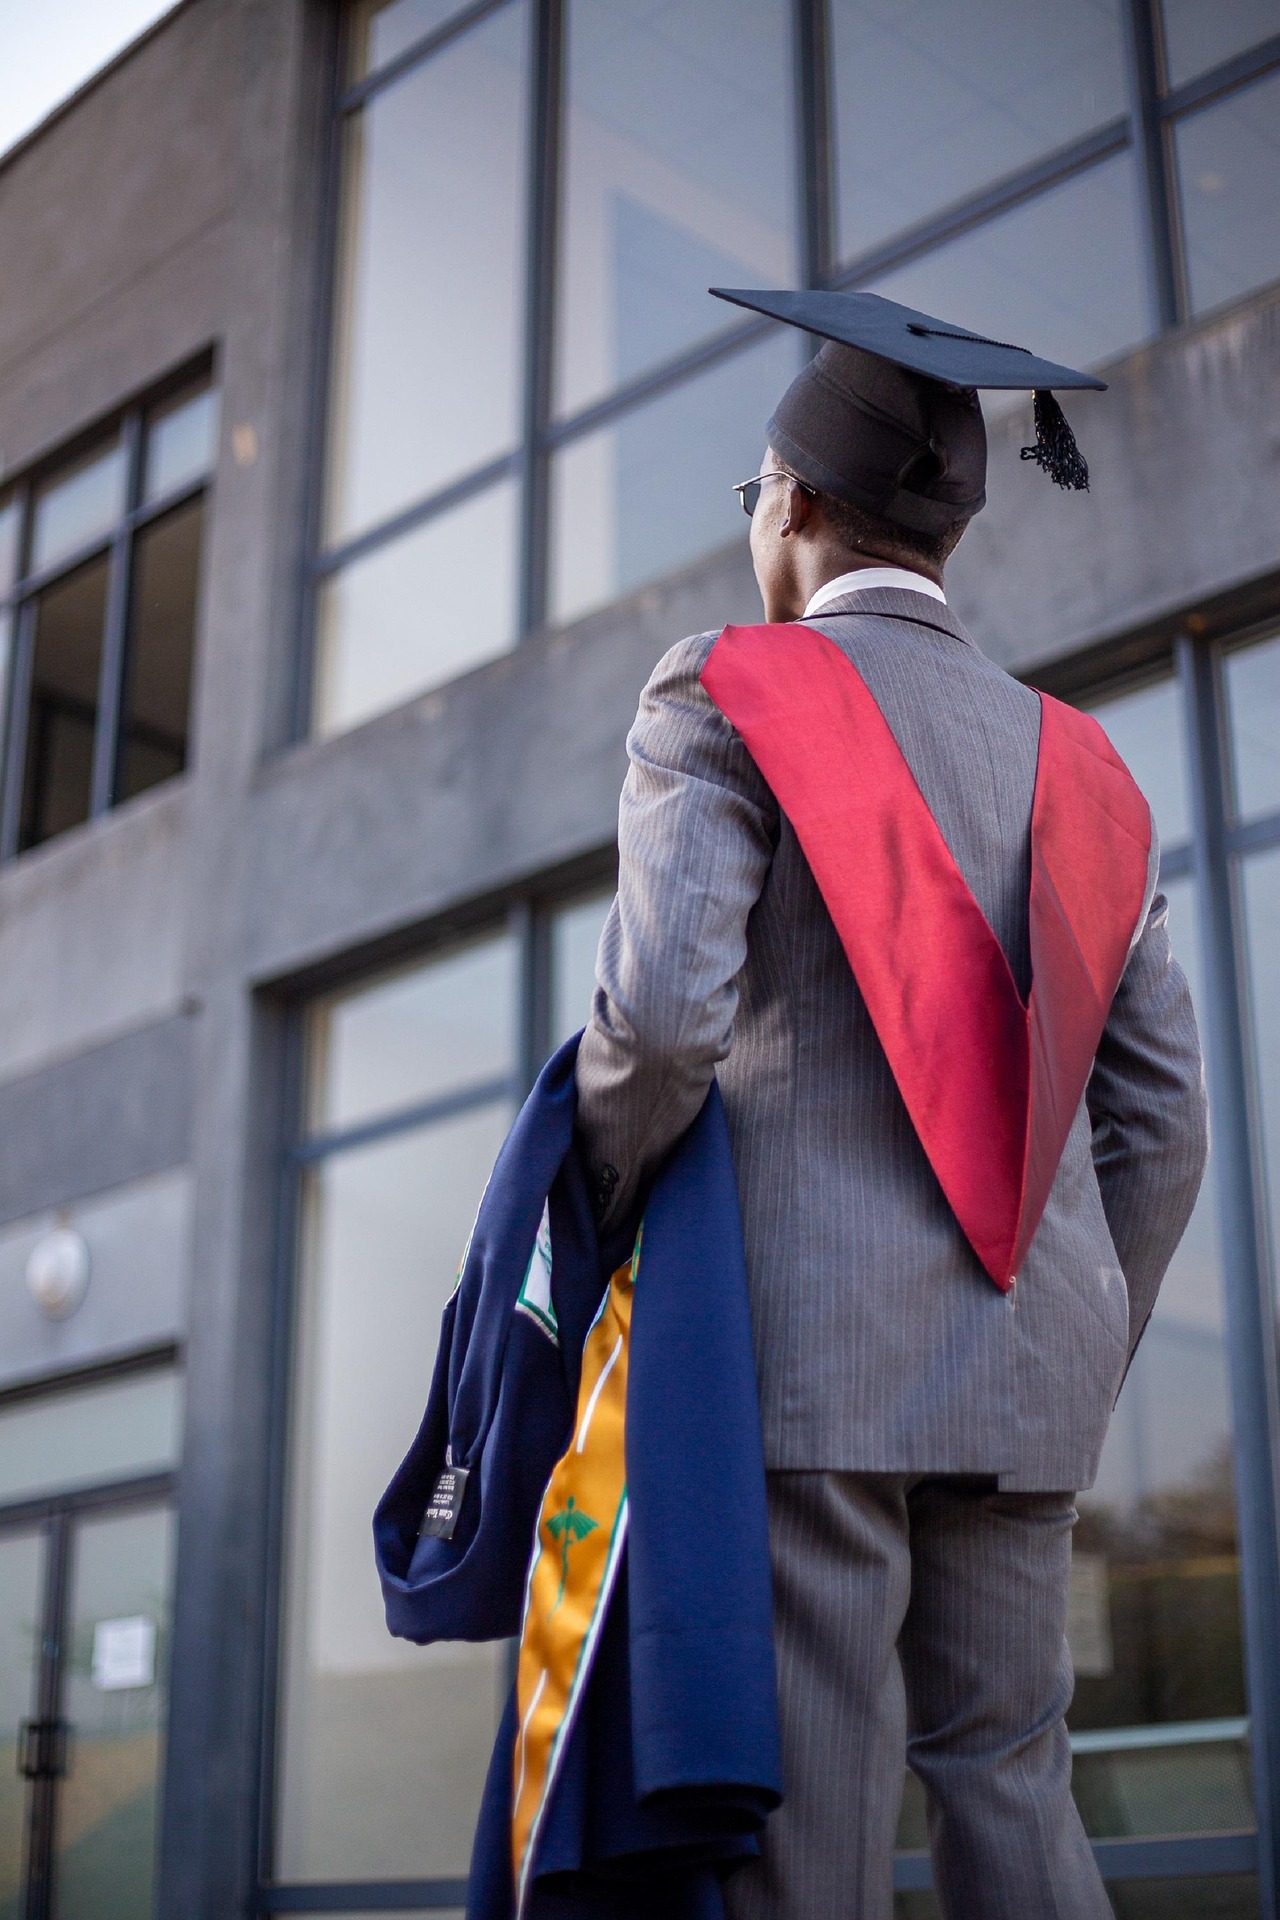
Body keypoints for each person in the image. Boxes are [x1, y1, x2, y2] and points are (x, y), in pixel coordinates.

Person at [572, 289, 1209, 1919]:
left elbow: (661, 1022)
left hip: (808, 1369)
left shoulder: (726, 692)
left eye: (754, 498)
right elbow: (1162, 1126)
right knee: (1014, 1783)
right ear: (951, 528)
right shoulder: (1087, 766)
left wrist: (599, 1230)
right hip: (1032, 1373)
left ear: (789, 501)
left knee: (818, 1823)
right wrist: (1075, 1332)